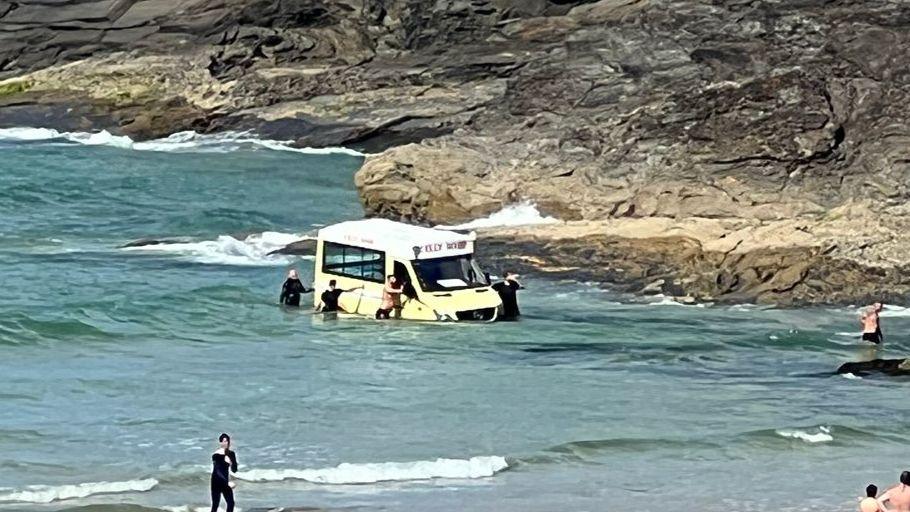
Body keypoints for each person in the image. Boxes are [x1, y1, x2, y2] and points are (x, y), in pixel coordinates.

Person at [211, 433, 238, 512]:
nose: (225, 443)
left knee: (231, 503)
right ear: (220, 443)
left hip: (225, 481)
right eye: (223, 441)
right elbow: (217, 470)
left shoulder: (231, 454)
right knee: (215, 504)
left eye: (226, 441)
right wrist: (224, 459)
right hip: (216, 481)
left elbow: (234, 470)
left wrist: (232, 463)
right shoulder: (216, 455)